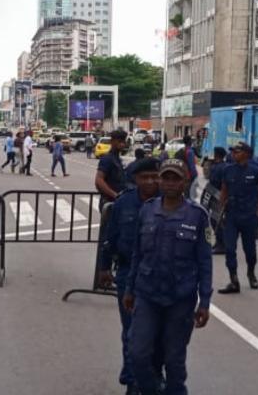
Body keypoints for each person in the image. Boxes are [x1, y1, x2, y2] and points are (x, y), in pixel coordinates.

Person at [124, 159, 212, 395]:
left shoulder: (198, 216)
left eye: (176, 178)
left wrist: (205, 302)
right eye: (166, 178)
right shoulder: (148, 210)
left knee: (174, 360)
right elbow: (137, 253)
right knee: (138, 353)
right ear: (160, 180)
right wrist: (129, 289)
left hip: (180, 299)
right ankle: (150, 390)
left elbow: (205, 262)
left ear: (185, 182)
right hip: (148, 294)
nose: (170, 183)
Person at [99, 157, 161, 394]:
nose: (150, 181)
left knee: (156, 334)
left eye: (154, 176)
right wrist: (104, 268)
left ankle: (151, 375)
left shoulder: (167, 203)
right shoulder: (123, 203)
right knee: (132, 332)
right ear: (135, 179)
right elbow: (110, 238)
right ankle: (133, 380)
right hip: (127, 277)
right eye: (144, 177)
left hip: (158, 277)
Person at [218, 142, 258, 293]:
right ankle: (234, 280)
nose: (234, 153)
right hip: (232, 215)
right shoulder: (228, 170)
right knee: (230, 249)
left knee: (250, 251)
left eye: (237, 151)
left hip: (249, 217)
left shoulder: (257, 171)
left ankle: (251, 273)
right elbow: (224, 191)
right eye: (233, 151)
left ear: (246, 153)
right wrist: (221, 210)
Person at [95, 129, 127, 208]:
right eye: (119, 141)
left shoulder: (117, 159)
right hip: (109, 202)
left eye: (123, 141)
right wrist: (115, 195)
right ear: (112, 141)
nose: (122, 144)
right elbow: (99, 180)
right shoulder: (107, 159)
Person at [207, 147, 227, 254]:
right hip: (221, 196)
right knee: (218, 220)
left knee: (216, 221)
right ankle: (219, 243)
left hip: (216, 196)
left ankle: (221, 244)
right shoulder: (225, 166)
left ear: (217, 155)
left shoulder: (217, 167)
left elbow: (213, 182)